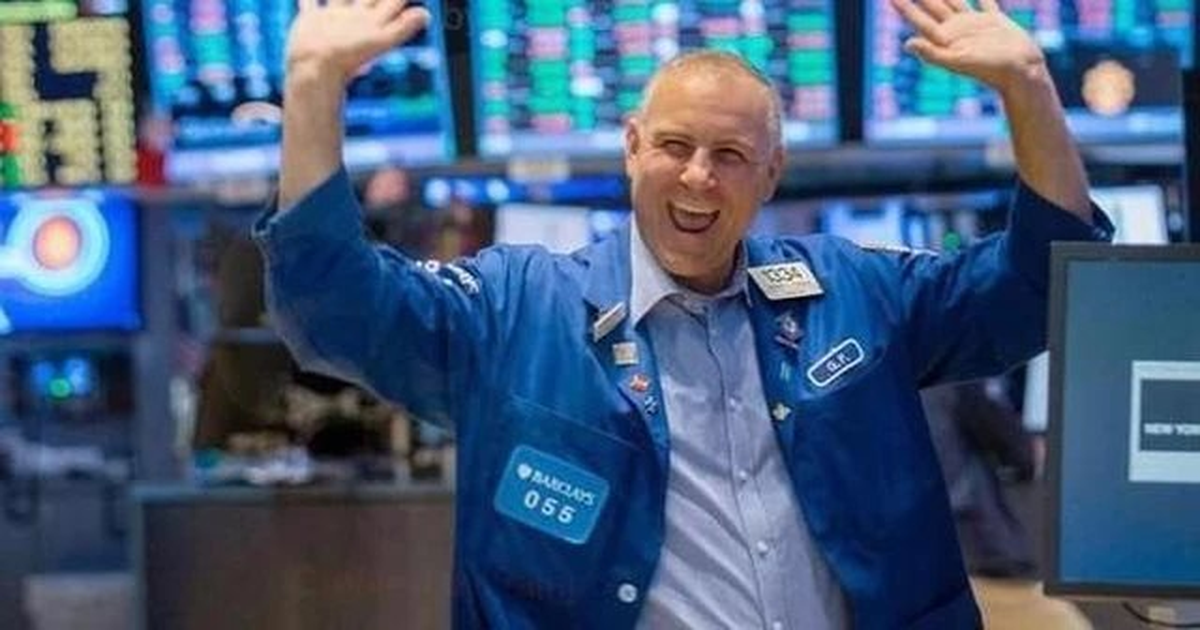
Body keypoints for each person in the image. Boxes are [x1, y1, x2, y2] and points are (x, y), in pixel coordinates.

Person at [253, 0, 1113, 627]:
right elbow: (337, 311)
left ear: (771, 174)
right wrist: (314, 87)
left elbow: (1044, 291)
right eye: (674, 146)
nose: (699, 176)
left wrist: (1029, 87)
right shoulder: (517, 311)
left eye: (731, 155)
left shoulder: (855, 293)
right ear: (632, 149)